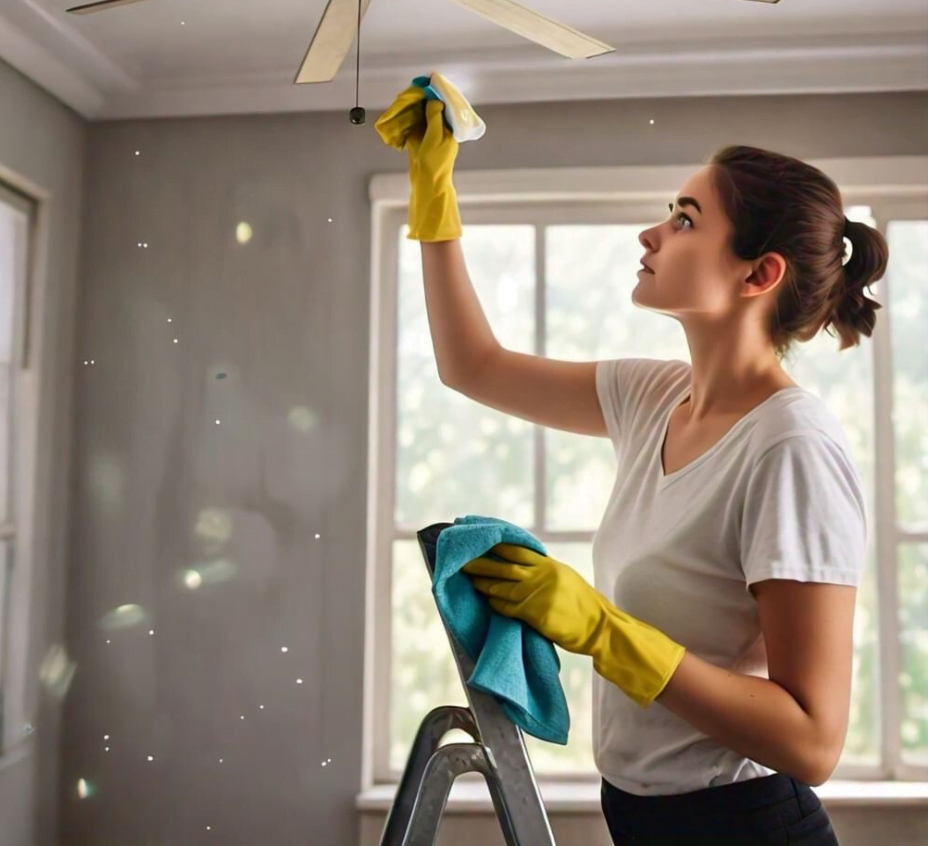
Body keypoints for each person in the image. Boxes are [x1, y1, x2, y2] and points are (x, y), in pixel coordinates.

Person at [375, 82, 890, 845]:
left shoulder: (791, 447)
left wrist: (602, 630)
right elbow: (472, 366)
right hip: (643, 821)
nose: (651, 235)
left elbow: (811, 741)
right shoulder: (652, 395)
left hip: (745, 828)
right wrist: (432, 188)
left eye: (685, 219)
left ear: (759, 275)